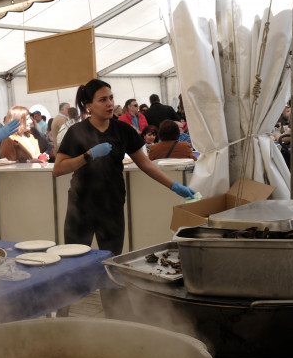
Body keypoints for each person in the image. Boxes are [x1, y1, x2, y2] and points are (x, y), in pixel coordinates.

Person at [54, 79, 197, 255]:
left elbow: (145, 164)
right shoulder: (76, 132)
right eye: (103, 100)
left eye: (111, 98)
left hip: (112, 204)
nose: (110, 104)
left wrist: (174, 186)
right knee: (74, 258)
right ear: (89, 105)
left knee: (110, 259)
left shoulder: (123, 130)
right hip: (81, 205)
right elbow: (58, 169)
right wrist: (88, 155)